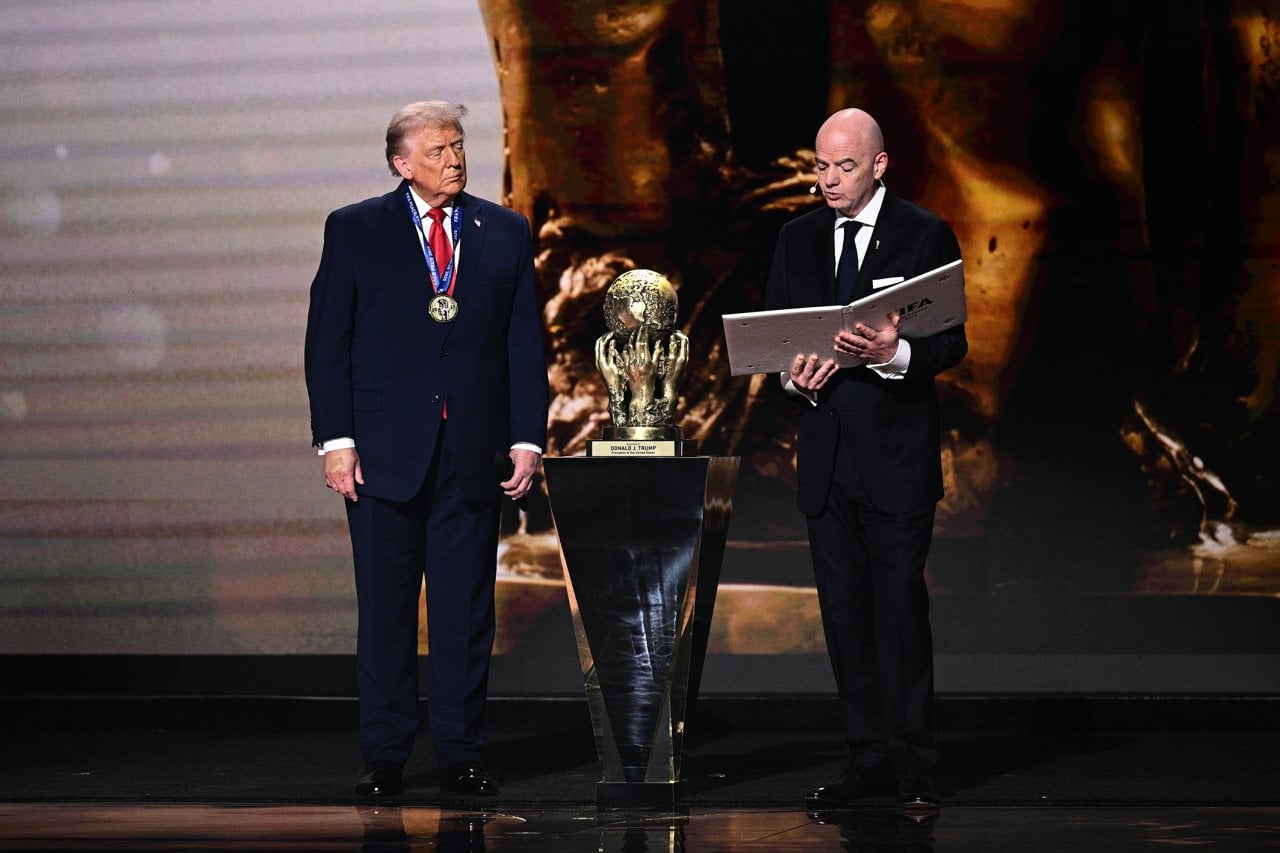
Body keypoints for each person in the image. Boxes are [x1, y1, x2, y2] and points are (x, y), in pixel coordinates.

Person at [304, 100, 548, 797]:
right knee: (385, 612)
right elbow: (330, 343)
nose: (454, 159)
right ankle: (384, 755)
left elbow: (522, 343)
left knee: (465, 611)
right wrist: (337, 439)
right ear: (401, 162)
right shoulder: (356, 229)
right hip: (382, 454)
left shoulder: (502, 230)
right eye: (438, 150)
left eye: (459, 146)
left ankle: (462, 752)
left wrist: (527, 436)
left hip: (471, 451)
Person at [765, 108, 967, 813]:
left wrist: (894, 354)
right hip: (826, 460)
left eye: (843, 166)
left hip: (896, 460)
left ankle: (914, 764)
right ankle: (867, 760)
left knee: (899, 615)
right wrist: (795, 377)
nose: (828, 179)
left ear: (879, 165)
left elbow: (952, 343)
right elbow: (775, 342)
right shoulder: (796, 239)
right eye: (821, 166)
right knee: (845, 618)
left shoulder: (923, 232)